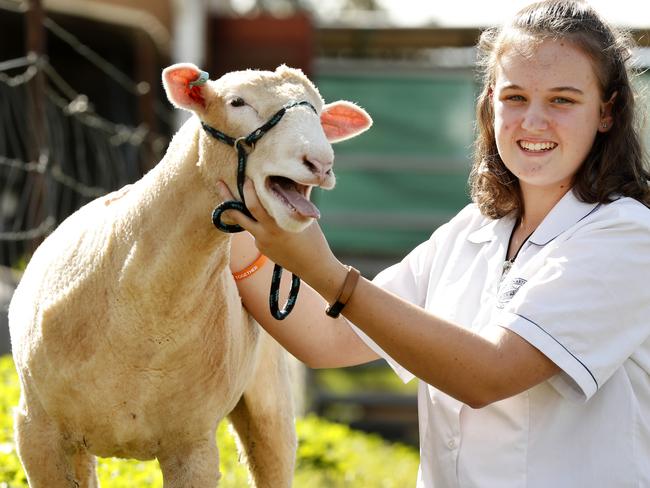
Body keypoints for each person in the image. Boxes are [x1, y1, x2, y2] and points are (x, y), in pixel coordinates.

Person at [216, 1, 650, 486]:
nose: (533, 121)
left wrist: (324, 272)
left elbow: (489, 375)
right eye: (515, 97)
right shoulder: (470, 231)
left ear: (607, 112)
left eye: (563, 100)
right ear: (489, 102)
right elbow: (329, 337)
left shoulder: (627, 236)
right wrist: (232, 233)